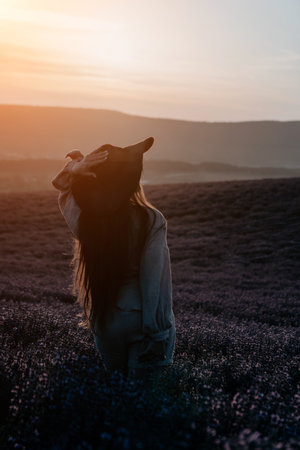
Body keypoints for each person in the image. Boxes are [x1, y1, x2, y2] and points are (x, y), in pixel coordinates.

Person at [52, 137, 176, 381]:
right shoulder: (151, 220)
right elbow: (154, 281)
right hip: (142, 321)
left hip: (105, 321)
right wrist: (157, 332)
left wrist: (76, 168)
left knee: (116, 394)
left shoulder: (87, 222)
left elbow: (63, 191)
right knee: (142, 401)